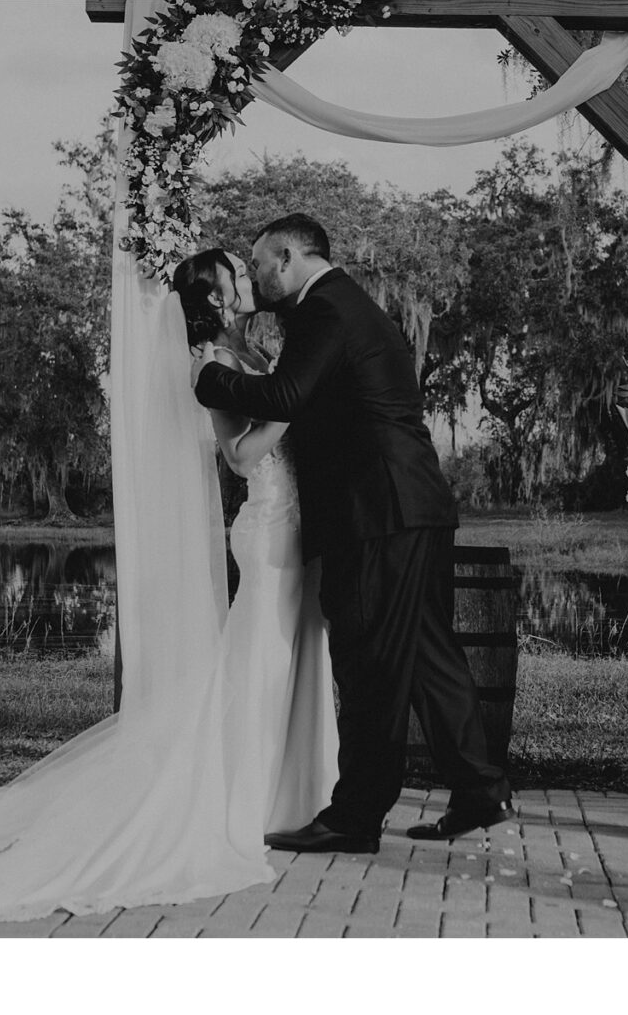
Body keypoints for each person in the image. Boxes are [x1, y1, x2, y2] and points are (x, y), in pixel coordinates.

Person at [0, 248, 337, 926]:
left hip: (297, 525)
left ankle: (292, 796)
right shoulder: (207, 362)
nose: (247, 279)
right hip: (269, 523)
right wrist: (294, 411)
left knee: (291, 659)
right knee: (259, 661)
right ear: (212, 296)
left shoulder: (244, 350)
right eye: (236, 273)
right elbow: (238, 456)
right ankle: (242, 799)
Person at [194, 213, 514, 853]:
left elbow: (286, 396)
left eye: (258, 264)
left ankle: (354, 816)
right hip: (412, 503)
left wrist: (211, 381)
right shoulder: (349, 305)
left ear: (286, 257)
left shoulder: (326, 312)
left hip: (376, 512)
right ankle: (480, 790)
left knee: (368, 662)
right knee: (429, 654)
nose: (255, 278)